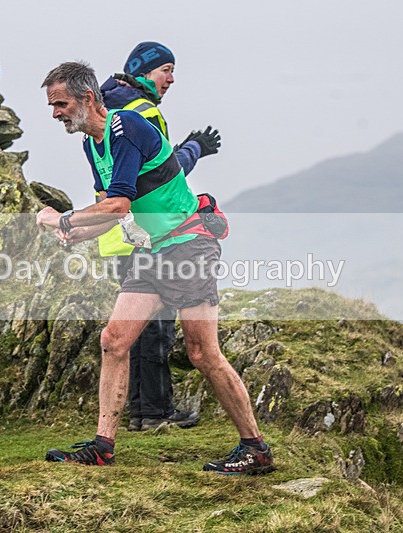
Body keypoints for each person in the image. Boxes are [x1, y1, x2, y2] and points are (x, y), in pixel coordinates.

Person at [38, 61, 274, 475]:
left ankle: (255, 448)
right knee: (114, 340)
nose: (55, 113)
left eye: (60, 104)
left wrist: (62, 219)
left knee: (203, 353)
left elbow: (120, 203)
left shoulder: (126, 128)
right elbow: (110, 214)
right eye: (52, 105)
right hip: (151, 252)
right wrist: (78, 233)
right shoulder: (92, 145)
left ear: (88, 98)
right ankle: (102, 446)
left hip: (189, 247)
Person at [98, 41, 222, 431]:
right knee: (157, 327)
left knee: (130, 333)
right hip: (147, 234)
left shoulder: (110, 108)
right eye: (165, 69)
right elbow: (161, 174)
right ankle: (155, 412)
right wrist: (193, 149)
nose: (171, 78)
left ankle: (139, 412)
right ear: (142, 70)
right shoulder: (142, 111)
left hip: (120, 235)